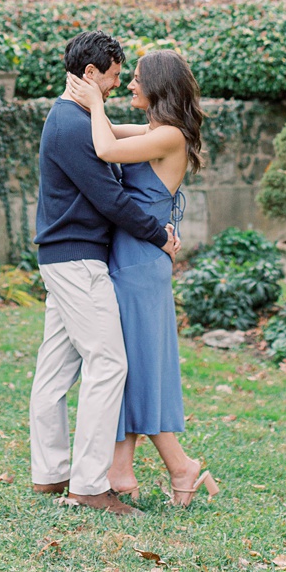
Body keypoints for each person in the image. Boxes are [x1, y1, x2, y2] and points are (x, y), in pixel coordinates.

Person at [27, 30, 179, 517]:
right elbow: (110, 198)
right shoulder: (72, 124)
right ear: (90, 73)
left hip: (65, 256)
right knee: (109, 364)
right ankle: (90, 486)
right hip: (77, 260)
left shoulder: (73, 117)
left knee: (56, 370)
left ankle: (50, 473)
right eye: (113, 76)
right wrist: (158, 235)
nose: (117, 84)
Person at [64, 51, 223, 508]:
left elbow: (105, 149)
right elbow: (107, 132)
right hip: (130, 257)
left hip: (139, 265)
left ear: (158, 85)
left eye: (136, 79)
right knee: (129, 364)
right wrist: (84, 100)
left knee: (132, 365)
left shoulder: (169, 136)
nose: (129, 85)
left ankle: (167, 466)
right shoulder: (157, 131)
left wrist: (96, 102)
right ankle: (136, 468)